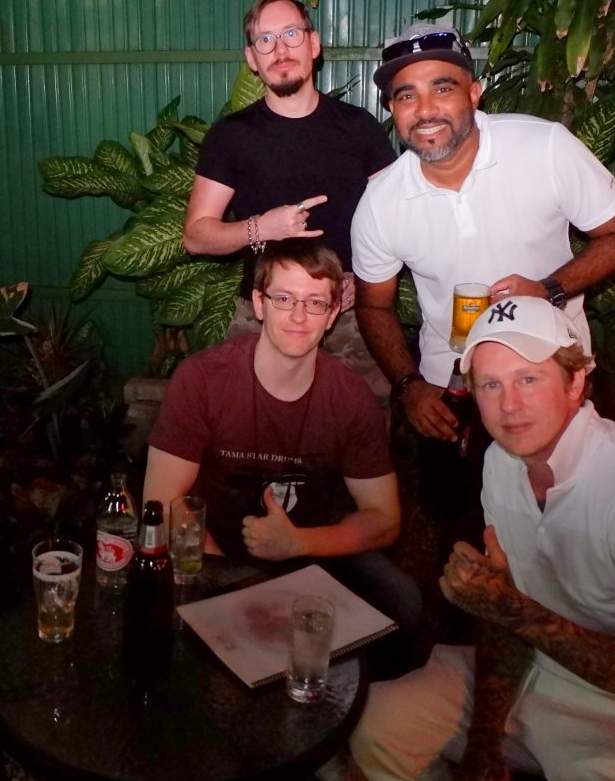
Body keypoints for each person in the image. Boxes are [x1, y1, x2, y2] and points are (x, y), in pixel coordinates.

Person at [349, 297, 615, 781]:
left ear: (575, 382)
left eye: (528, 379)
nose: (509, 405)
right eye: (490, 384)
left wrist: (508, 607)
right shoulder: (501, 463)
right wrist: (483, 744)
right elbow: (505, 622)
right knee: (373, 724)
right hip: (540, 670)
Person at [351, 21, 615, 548]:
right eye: (406, 96)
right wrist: (409, 386)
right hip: (452, 392)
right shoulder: (382, 203)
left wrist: (550, 289)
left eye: (442, 87)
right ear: (392, 110)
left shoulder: (543, 148)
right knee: (461, 532)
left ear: (474, 92)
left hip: (552, 374)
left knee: (572, 525)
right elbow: (374, 307)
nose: (425, 110)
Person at [142, 239, 420, 637]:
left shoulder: (350, 397)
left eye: (315, 303)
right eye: (284, 298)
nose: (298, 316)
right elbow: (163, 500)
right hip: (213, 553)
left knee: (402, 601)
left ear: (332, 314)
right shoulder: (201, 380)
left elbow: (384, 519)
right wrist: (236, 585)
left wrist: (298, 543)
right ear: (259, 304)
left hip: (307, 550)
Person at [184, 0, 396, 396]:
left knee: (362, 420)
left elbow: (398, 221)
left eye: (291, 34)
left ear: (314, 44)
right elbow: (196, 235)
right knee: (246, 421)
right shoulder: (230, 137)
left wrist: (366, 278)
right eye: (265, 40)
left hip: (348, 313)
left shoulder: (359, 128)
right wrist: (263, 227)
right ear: (252, 59)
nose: (280, 50)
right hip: (264, 313)